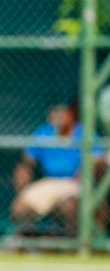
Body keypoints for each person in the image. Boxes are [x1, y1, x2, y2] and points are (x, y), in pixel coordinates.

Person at [11, 101, 106, 236]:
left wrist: (84, 175)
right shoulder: (44, 132)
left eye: (62, 112)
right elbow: (27, 162)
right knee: (20, 208)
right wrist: (23, 186)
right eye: (54, 112)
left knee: (70, 205)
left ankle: (72, 246)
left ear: (71, 115)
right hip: (50, 181)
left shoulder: (85, 132)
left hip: (74, 182)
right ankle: (33, 243)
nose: (57, 116)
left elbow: (98, 160)